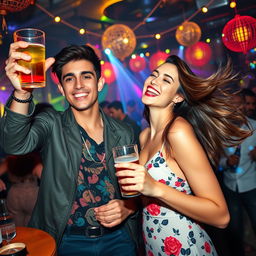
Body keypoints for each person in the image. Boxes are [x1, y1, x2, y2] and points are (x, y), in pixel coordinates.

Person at [1, 43, 140, 255]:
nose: (78, 85)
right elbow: (14, 144)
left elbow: (135, 187)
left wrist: (129, 207)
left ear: (100, 82)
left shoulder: (124, 131)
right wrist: (22, 92)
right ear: (61, 89)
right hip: (67, 240)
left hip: (118, 239)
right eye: (69, 79)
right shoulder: (51, 123)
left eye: (86, 76)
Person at [113, 55, 251, 255]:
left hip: (186, 245)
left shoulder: (177, 132)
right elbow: (146, 196)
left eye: (166, 80)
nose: (154, 81)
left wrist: (156, 189)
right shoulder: (144, 136)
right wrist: (127, 206)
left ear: (178, 97)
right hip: (154, 245)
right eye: (154, 74)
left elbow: (221, 216)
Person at [219, 91, 256, 256]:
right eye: (232, 104)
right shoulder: (221, 129)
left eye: (239, 103)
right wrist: (226, 162)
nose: (236, 107)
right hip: (230, 186)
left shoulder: (255, 127)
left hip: (251, 185)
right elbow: (216, 159)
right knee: (235, 231)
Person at [6, 152, 42, 226]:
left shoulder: (10, 159)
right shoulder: (35, 160)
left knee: (16, 227)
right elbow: (47, 180)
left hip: (14, 194)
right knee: (31, 225)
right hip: (32, 194)